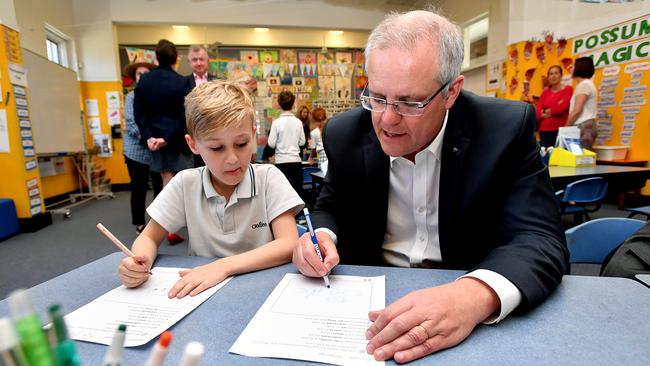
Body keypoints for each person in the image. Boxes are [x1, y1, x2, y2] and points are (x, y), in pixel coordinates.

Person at [291, 8, 568, 364]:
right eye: (377, 97)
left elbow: (540, 239)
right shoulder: (344, 133)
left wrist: (472, 295)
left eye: (410, 102)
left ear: (451, 92)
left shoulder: (503, 130)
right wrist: (322, 235)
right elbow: (331, 205)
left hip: (469, 303)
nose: (387, 120)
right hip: (368, 307)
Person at [119, 80, 304, 298]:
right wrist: (139, 261)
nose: (233, 159)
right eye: (217, 148)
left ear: (252, 135)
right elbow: (148, 238)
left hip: (265, 289)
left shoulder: (269, 178)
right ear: (193, 145)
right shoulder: (185, 183)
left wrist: (223, 267)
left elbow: (288, 243)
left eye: (242, 143)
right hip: (203, 294)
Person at [135, 39, 192, 245]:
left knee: (166, 181)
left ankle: (166, 226)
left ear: (156, 58)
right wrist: (166, 137)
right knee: (180, 182)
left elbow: (139, 112)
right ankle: (169, 227)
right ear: (176, 58)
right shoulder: (182, 82)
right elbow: (184, 114)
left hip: (154, 141)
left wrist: (149, 136)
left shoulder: (144, 81)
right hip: (175, 140)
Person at [123, 61, 163, 234]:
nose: (142, 77)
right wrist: (148, 138)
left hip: (156, 148)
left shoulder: (157, 96)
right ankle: (139, 223)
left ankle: (158, 222)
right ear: (135, 77)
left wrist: (158, 139)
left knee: (159, 187)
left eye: (146, 73)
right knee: (139, 187)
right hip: (135, 150)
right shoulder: (131, 97)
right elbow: (132, 124)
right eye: (139, 74)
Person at [267, 90, 306, 195]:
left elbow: (271, 143)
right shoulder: (298, 122)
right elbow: (302, 142)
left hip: (281, 163)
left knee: (282, 195)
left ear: (279, 104)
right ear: (293, 104)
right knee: (297, 194)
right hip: (296, 162)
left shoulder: (276, 123)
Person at [185, 45, 217, 168]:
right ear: (189, 62)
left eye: (201, 59)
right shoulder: (182, 83)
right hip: (193, 135)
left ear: (207, 60)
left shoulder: (218, 81)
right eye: (194, 60)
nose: (198, 63)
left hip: (215, 131)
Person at [535, 65, 573, 148]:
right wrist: (549, 111)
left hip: (559, 130)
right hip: (544, 130)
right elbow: (538, 112)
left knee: (558, 158)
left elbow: (561, 109)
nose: (553, 76)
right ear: (548, 77)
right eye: (551, 74)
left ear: (561, 75)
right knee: (545, 158)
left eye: (556, 73)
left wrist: (545, 111)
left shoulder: (568, 89)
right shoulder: (545, 92)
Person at [567, 56, 598, 149]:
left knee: (580, 160)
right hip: (585, 125)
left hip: (584, 126)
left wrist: (566, 127)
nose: (569, 68)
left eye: (573, 66)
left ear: (579, 68)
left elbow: (577, 110)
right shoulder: (586, 84)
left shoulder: (584, 85)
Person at [308, 107, 328, 174]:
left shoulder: (314, 132)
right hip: (332, 155)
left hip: (322, 156)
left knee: (322, 178)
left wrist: (311, 157)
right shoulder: (329, 128)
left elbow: (313, 148)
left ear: (313, 118)